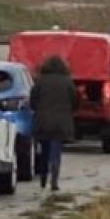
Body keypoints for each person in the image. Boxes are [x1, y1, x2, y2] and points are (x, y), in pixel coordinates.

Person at [30, 56, 78, 191]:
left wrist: (38, 111)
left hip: (43, 121)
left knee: (44, 151)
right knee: (56, 151)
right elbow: (75, 101)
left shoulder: (40, 82)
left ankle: (43, 178)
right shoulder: (68, 82)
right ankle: (54, 181)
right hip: (61, 122)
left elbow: (33, 101)